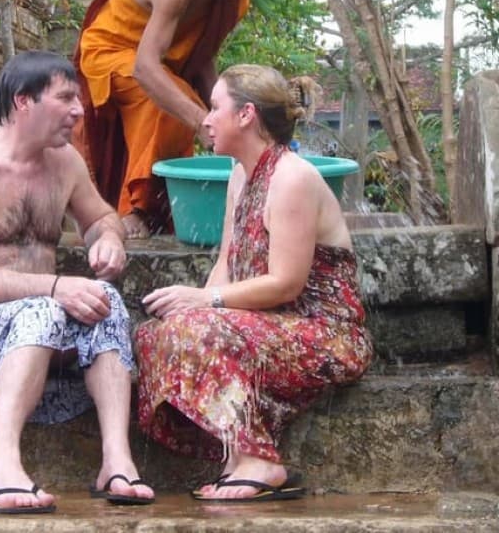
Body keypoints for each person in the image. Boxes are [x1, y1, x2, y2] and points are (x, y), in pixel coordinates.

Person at [0, 51, 155, 514]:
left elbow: (100, 218)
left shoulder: (64, 162)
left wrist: (108, 240)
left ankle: (116, 460)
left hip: (38, 317)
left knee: (104, 299)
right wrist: (54, 288)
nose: (78, 110)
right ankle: (0, 464)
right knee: (47, 307)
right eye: (65, 97)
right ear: (23, 102)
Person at [134, 64, 373, 502]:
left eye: (214, 108)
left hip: (323, 333)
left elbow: (286, 284)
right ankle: (234, 456)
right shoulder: (240, 174)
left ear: (245, 115)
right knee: (155, 335)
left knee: (199, 326)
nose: (205, 119)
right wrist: (193, 306)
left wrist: (206, 302)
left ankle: (260, 460)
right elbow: (227, 260)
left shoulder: (292, 178)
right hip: (264, 322)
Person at [73, 0, 264, 239]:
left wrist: (224, 114)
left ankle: (166, 211)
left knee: (187, 100)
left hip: (156, 66)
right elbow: (145, 68)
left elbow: (201, 56)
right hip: (111, 53)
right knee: (172, 104)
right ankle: (137, 210)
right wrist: (202, 121)